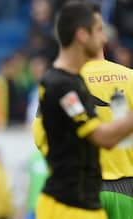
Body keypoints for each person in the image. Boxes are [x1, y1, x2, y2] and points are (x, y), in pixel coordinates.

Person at [33, 1, 133, 219]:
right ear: (82, 35)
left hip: (81, 191)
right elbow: (102, 137)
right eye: (99, 30)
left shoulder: (55, 82)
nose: (105, 37)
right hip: (89, 197)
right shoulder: (63, 85)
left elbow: (40, 138)